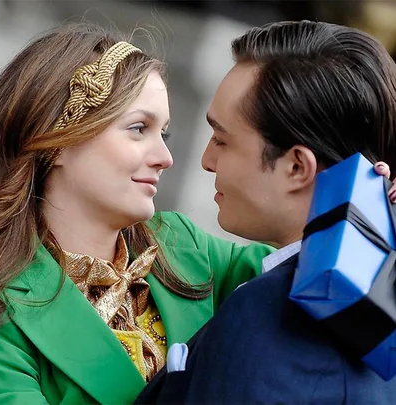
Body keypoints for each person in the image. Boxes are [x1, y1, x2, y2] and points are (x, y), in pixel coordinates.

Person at [0, 23, 275, 404]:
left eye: (163, 134)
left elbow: (311, 276)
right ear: (58, 142)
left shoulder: (182, 245)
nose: (165, 158)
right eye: (139, 128)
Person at [135, 20, 396, 404]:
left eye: (222, 139)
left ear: (296, 167)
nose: (207, 160)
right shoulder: (377, 303)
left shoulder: (269, 314)